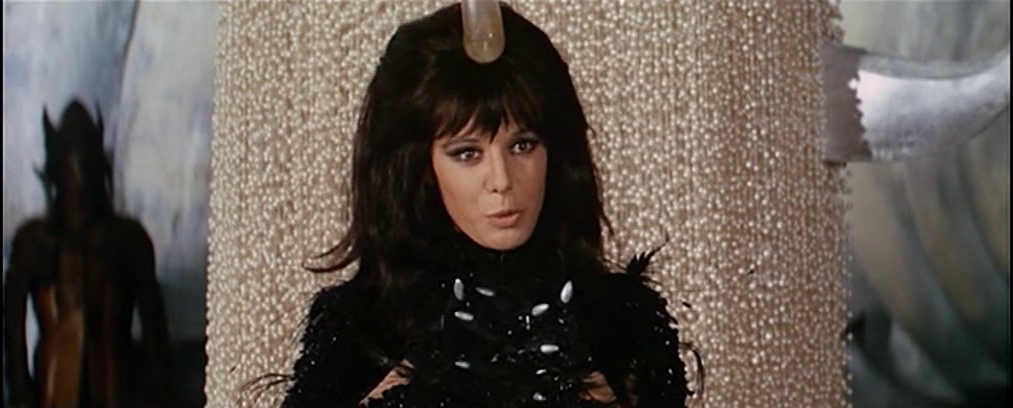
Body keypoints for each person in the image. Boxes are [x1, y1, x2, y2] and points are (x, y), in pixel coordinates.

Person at [279, 3, 693, 407]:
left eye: (523, 145)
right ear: (420, 167)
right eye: (467, 153)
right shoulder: (361, 326)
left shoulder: (620, 320)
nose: (502, 180)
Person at [4, 100, 170, 408]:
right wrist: (21, 395)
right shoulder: (33, 242)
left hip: (116, 389)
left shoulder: (127, 238)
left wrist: (156, 394)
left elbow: (155, 331)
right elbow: (13, 331)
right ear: (55, 172)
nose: (77, 181)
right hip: (51, 392)